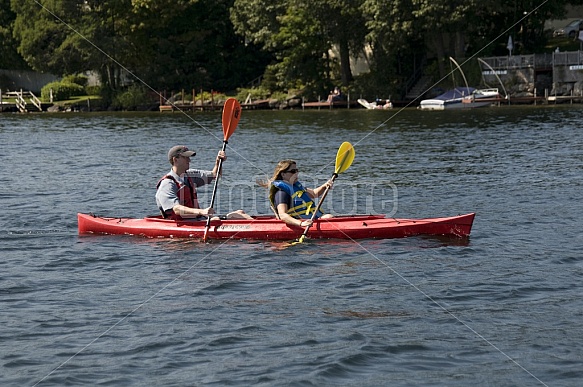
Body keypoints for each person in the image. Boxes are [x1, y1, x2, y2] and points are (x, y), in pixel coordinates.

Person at [156, 145, 252, 221]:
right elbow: (176, 209)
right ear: (175, 159)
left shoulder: (191, 175)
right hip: (182, 224)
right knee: (217, 220)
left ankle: (259, 226)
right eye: (185, 157)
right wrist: (202, 211)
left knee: (240, 213)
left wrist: (218, 162)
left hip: (198, 220)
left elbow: (215, 175)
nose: (189, 160)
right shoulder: (167, 184)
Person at [259, 160, 333, 228]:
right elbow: (282, 215)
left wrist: (324, 186)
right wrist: (301, 223)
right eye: (293, 171)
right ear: (283, 174)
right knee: (329, 217)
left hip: (309, 220)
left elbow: (314, 194)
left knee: (328, 217)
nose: (296, 173)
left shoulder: (296, 187)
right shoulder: (281, 192)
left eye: (296, 170)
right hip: (299, 222)